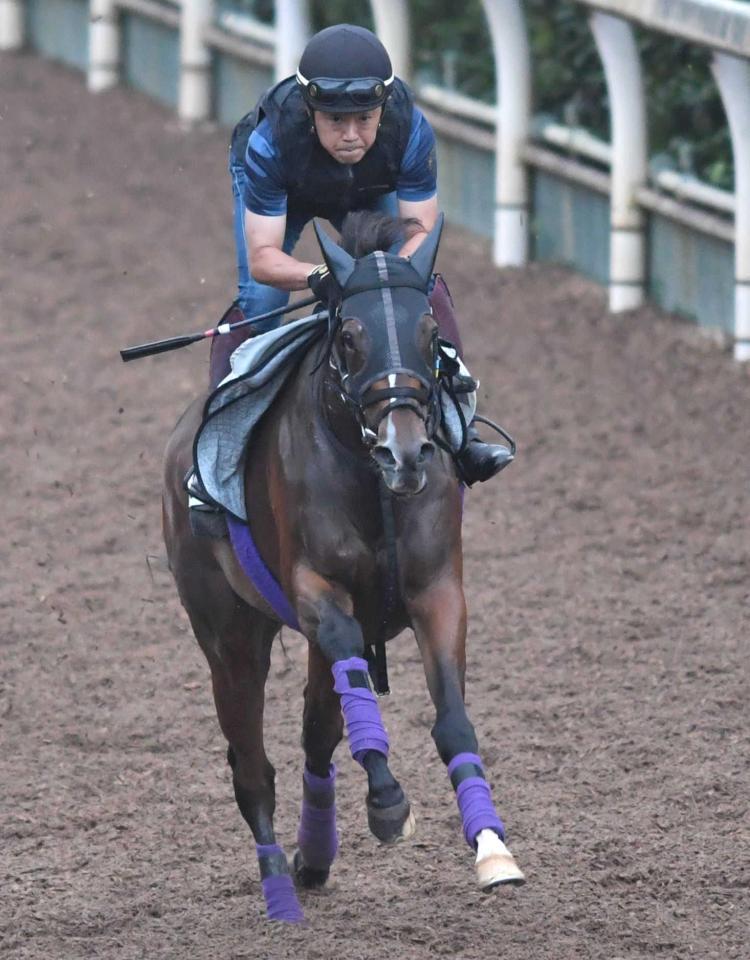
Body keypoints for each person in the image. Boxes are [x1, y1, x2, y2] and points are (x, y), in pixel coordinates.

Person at [210, 23, 511, 487]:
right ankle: (220, 449)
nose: (351, 135)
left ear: (383, 109)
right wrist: (319, 277)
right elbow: (264, 260)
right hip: (289, 192)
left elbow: (421, 236)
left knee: (420, 289)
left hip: (367, 192)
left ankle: (461, 431)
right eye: (335, 120)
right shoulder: (268, 143)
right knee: (262, 305)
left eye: (364, 119)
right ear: (310, 112)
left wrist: (385, 275)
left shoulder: (410, 129)